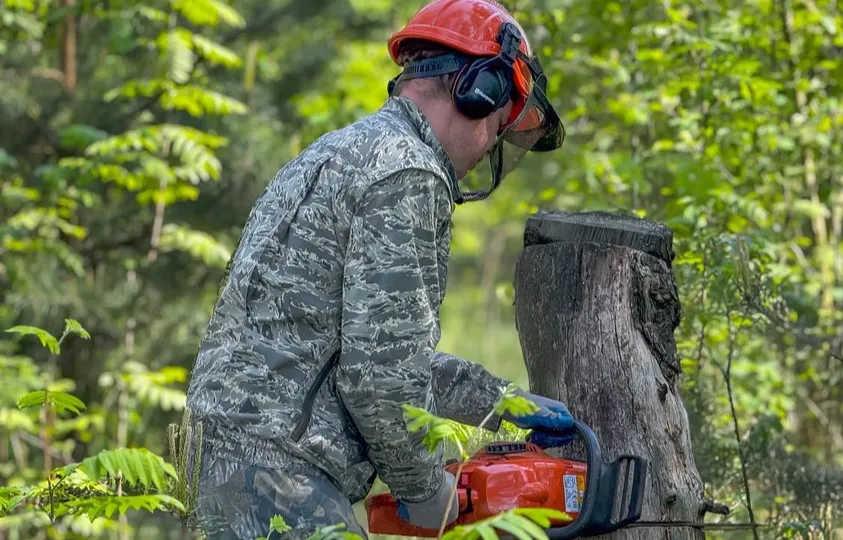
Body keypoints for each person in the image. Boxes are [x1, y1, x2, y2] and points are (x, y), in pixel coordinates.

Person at [181, 0, 572, 538]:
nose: (489, 147)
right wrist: (424, 487)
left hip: (230, 462)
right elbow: (379, 375)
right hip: (284, 476)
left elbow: (366, 348)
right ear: (479, 92)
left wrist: (500, 401)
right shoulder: (409, 172)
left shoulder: (339, 151)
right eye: (500, 125)